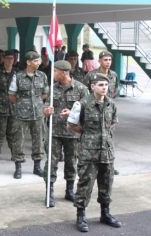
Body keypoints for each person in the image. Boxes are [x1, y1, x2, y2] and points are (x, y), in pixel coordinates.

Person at [67, 73, 121, 232]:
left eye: (106, 85)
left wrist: (104, 136)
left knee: (107, 183)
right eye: (101, 85)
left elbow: (112, 123)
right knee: (85, 184)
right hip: (89, 152)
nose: (104, 88)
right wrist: (86, 134)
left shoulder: (111, 104)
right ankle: (81, 216)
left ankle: (105, 214)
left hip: (107, 152)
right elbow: (71, 124)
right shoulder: (82, 104)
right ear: (92, 87)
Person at [43, 60, 89, 207]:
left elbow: (87, 110)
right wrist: (46, 110)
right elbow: (45, 105)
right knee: (51, 162)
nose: (53, 74)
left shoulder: (81, 89)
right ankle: (49, 192)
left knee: (71, 162)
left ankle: (69, 190)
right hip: (54, 132)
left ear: (63, 73)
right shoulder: (52, 88)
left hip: (72, 132)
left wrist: (72, 112)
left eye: (55, 71)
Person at [8, 50, 49, 179]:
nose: (38, 63)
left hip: (37, 113)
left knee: (38, 141)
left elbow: (45, 93)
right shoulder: (18, 76)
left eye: (39, 60)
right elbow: (12, 95)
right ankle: (18, 167)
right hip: (21, 114)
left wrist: (37, 103)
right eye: (36, 61)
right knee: (18, 140)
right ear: (28, 62)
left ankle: (37, 167)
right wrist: (22, 104)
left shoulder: (42, 76)